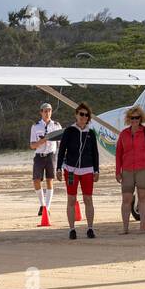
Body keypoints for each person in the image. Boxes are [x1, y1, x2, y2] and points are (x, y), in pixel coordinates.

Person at [56, 102, 100, 239]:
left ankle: (90, 228)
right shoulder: (69, 131)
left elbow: (95, 153)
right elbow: (62, 150)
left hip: (87, 169)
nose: (84, 117)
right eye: (81, 114)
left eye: (86, 115)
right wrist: (58, 168)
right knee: (71, 199)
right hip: (71, 170)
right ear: (76, 115)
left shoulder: (91, 133)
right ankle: (72, 229)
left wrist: (96, 170)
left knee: (88, 199)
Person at [115, 105, 145, 234]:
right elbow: (119, 153)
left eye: (137, 118)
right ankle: (125, 228)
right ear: (128, 119)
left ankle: (142, 227)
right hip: (127, 170)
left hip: (143, 169)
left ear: (141, 118)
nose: (134, 120)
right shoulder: (123, 133)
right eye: (132, 118)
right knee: (126, 199)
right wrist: (118, 171)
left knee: (143, 197)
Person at [29, 102, 61, 217]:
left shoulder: (56, 125)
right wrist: (41, 141)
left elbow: (61, 143)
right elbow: (32, 145)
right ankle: (42, 204)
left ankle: (47, 208)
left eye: (49, 111)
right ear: (41, 112)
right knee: (36, 180)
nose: (47, 113)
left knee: (49, 180)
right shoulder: (35, 126)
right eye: (45, 111)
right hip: (39, 155)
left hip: (51, 155)